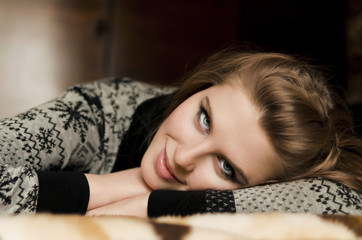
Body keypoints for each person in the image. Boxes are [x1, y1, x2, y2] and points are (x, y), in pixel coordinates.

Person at [1, 46, 361, 217]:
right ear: (199, 88)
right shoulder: (98, 111)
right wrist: (111, 188)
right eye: (204, 119)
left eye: (227, 168)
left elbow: (349, 205)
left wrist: (152, 203)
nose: (183, 158)